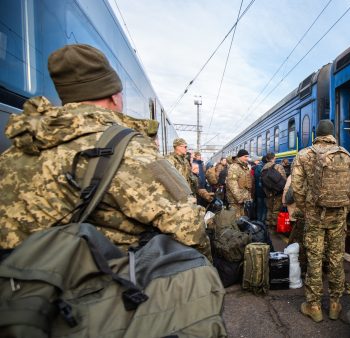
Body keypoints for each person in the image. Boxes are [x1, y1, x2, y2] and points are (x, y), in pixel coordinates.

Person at [0, 44, 212, 260]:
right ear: (114, 96)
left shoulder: (16, 150)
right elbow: (189, 228)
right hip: (105, 284)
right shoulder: (128, 150)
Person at [291, 119, 350, 322]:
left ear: (316, 134)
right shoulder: (345, 155)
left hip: (314, 216)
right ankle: (336, 305)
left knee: (314, 258)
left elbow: (297, 188)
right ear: (332, 134)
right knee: (336, 258)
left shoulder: (304, 155)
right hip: (338, 216)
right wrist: (343, 209)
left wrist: (308, 209)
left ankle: (314, 306)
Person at [166, 139, 214, 204]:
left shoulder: (185, 162)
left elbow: (192, 180)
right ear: (177, 147)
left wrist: (204, 193)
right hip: (177, 200)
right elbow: (169, 183)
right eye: (185, 147)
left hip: (188, 198)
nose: (186, 149)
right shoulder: (169, 160)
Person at [262, 152, 287, 229]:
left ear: (266, 159)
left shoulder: (263, 168)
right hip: (277, 192)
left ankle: (268, 224)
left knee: (269, 209)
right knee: (276, 210)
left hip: (267, 192)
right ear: (274, 158)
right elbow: (284, 179)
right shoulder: (278, 166)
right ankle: (274, 226)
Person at [226, 150, 253, 218]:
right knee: (236, 218)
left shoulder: (244, 167)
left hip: (243, 198)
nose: (247, 158)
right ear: (240, 157)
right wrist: (239, 198)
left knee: (242, 218)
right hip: (235, 200)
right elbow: (232, 184)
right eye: (245, 156)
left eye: (247, 156)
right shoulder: (234, 167)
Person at [254, 156, 268, 224]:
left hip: (258, 190)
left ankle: (258, 221)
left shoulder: (257, 167)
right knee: (264, 207)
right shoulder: (264, 168)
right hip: (263, 191)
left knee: (260, 207)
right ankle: (262, 222)